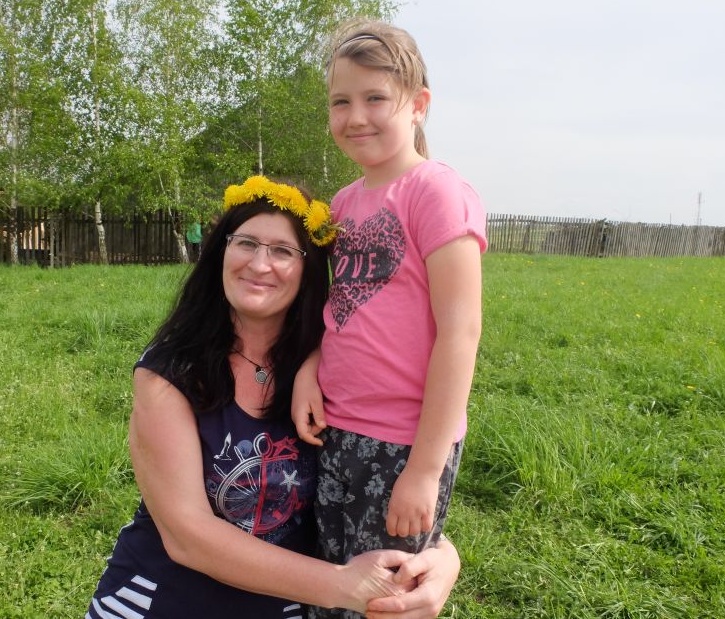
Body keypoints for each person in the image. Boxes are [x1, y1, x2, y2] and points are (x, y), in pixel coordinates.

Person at [86, 175, 461, 619]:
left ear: (308, 269)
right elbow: (187, 536)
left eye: (283, 251)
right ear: (221, 252)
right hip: (162, 601)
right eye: (246, 243)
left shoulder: (333, 371)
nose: (260, 264)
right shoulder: (170, 372)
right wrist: (344, 584)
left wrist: (442, 559)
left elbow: (374, 479)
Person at [291, 19, 488, 617]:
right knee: (334, 583)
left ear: (419, 105)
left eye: (375, 98)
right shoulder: (342, 204)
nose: (356, 117)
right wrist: (310, 368)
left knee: (387, 598)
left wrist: (425, 470)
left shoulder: (436, 192)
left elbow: (461, 332)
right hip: (337, 431)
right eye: (340, 102)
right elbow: (345, 308)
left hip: (405, 441)